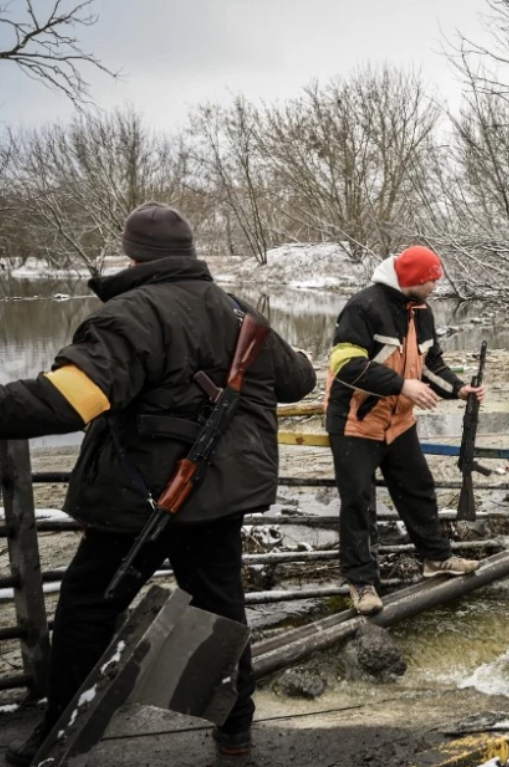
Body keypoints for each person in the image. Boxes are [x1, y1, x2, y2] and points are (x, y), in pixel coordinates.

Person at [0, 202, 317, 764]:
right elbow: (296, 380)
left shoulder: (131, 313)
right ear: (190, 252)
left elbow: (72, 399)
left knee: (88, 608)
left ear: (132, 255)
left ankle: (57, 734)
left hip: (141, 498)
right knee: (222, 606)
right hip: (218, 500)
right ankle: (236, 731)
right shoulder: (236, 307)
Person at [327, 245, 484, 617]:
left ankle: (435, 557)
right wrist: (401, 386)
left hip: (398, 422)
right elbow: (344, 364)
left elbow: (431, 364)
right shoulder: (363, 307)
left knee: (418, 488)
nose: (435, 284)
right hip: (356, 422)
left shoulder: (422, 312)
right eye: (431, 279)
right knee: (357, 502)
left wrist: (458, 389)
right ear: (412, 279)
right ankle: (361, 581)